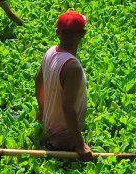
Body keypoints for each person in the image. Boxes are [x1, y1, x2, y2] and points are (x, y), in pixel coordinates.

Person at [36, 10, 93, 162]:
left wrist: (42, 110)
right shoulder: (72, 67)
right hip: (65, 138)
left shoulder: (50, 52)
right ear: (83, 34)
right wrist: (80, 144)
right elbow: (68, 107)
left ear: (57, 33)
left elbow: (38, 81)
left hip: (49, 127)